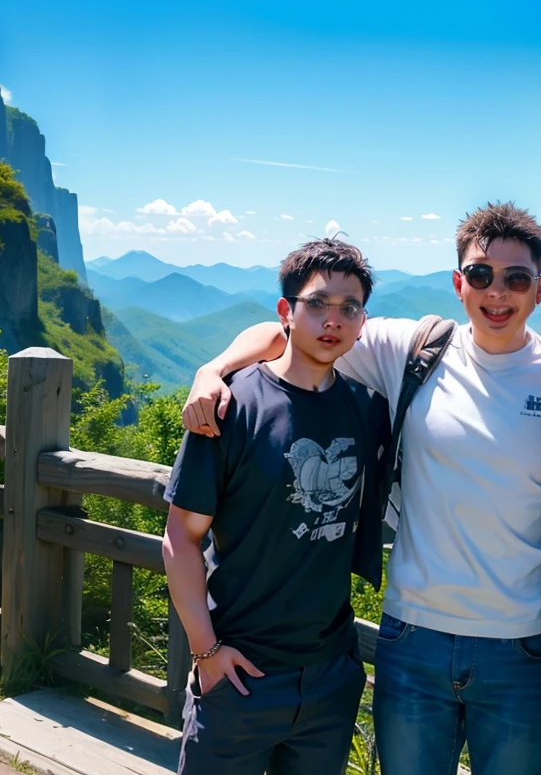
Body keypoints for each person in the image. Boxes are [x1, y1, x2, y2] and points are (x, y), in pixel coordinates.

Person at [184, 202, 541, 775]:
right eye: (481, 275)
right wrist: (213, 370)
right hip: (414, 640)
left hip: (525, 649)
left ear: (540, 288)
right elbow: (288, 328)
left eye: (516, 278)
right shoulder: (410, 350)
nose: (497, 292)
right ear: (459, 283)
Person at [162, 238, 390, 774]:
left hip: (329, 676)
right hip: (240, 675)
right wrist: (206, 653)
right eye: (316, 303)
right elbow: (181, 537)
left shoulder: (368, 409)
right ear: (287, 312)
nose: (332, 320)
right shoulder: (230, 406)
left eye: (348, 308)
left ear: (362, 323)